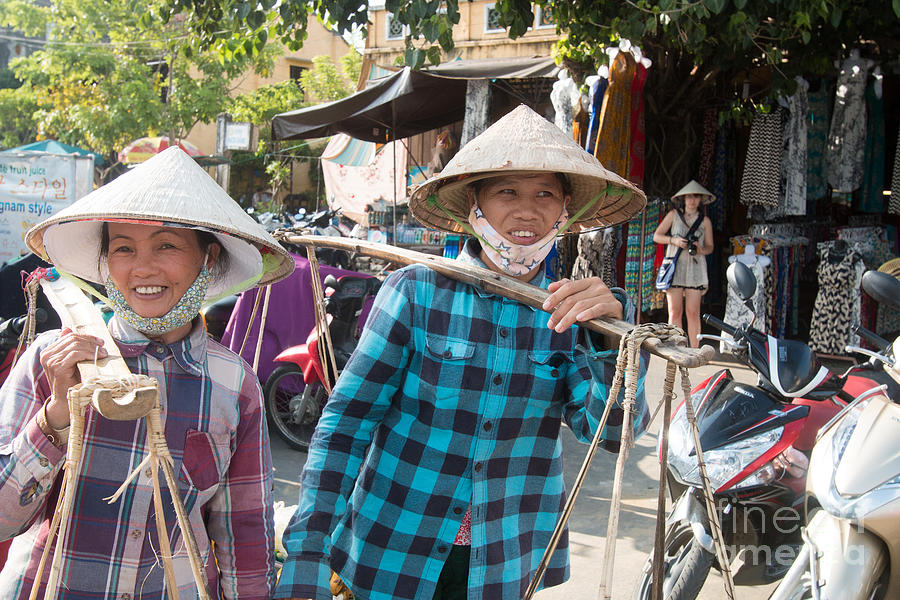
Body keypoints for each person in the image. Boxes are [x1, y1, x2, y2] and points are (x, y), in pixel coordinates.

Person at [274, 105, 649, 600]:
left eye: (545, 194)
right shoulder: (415, 292)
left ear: (564, 213)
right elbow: (346, 425)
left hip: (502, 562)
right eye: (507, 192)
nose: (527, 211)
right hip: (392, 547)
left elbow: (616, 431)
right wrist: (308, 552)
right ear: (475, 206)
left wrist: (613, 337)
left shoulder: (572, 314)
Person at [0, 147, 294, 599]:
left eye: (167, 244)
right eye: (123, 249)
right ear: (106, 264)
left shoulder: (235, 386)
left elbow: (245, 534)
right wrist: (55, 417)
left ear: (208, 257)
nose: (143, 268)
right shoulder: (52, 361)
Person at [652, 180, 715, 348]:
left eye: (696, 197)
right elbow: (657, 236)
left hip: (695, 268)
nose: (692, 200)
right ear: (684, 198)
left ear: (701, 199)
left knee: (693, 313)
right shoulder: (673, 215)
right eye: (689, 197)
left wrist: (699, 249)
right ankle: (676, 348)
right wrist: (674, 240)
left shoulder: (705, 221)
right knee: (674, 312)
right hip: (675, 267)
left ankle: (694, 349)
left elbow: (710, 247)